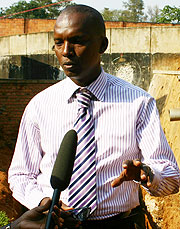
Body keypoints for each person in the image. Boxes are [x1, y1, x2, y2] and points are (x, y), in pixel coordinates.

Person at [8, 4, 180, 229]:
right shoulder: (39, 105)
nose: (66, 51)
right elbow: (21, 175)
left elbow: (171, 178)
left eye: (78, 41)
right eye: (59, 42)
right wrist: (45, 203)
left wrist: (146, 174)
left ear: (102, 45)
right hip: (57, 224)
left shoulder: (138, 102)